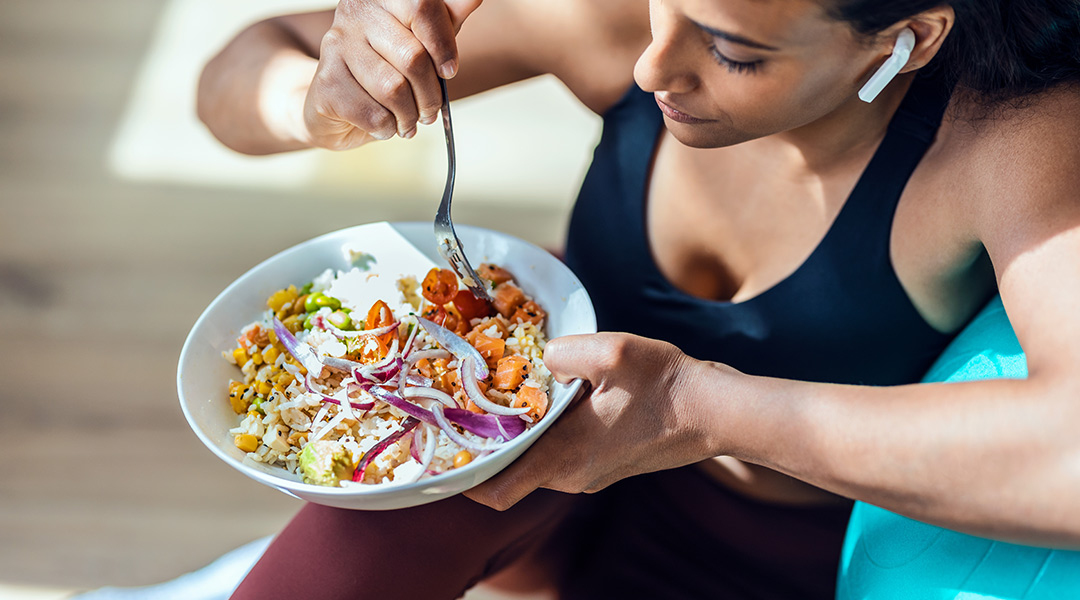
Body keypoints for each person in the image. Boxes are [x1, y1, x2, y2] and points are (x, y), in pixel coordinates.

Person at [197, 0, 1080, 598]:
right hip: (539, 485)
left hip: (783, 562)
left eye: (733, 51)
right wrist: (320, 97)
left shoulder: (1003, 137)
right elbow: (231, 79)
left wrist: (702, 412)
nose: (655, 64)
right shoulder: (623, 24)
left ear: (909, 38)